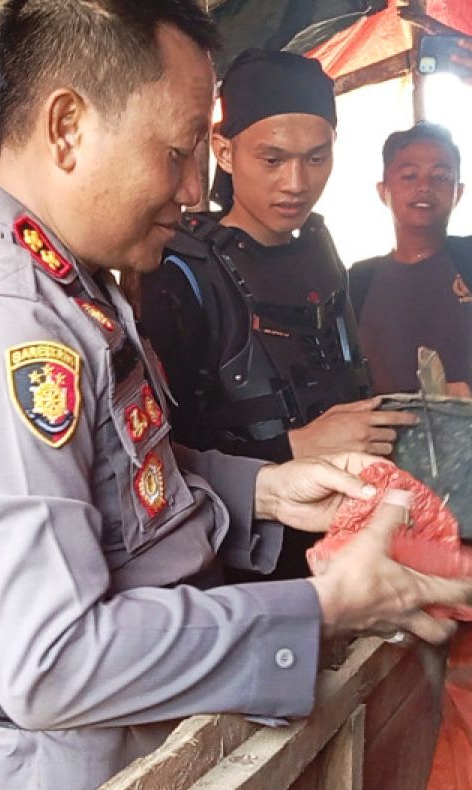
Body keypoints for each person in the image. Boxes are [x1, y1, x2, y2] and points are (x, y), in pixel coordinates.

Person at [0, 3, 472, 790]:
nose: (195, 190)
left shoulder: (71, 293)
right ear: (67, 128)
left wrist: (263, 489)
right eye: (179, 151)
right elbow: (53, 663)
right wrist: (321, 609)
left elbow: (116, 475)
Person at [138, 49, 416, 581]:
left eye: (316, 157)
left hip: (349, 548)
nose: (296, 182)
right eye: (273, 159)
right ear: (223, 150)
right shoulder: (181, 274)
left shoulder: (320, 246)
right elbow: (157, 459)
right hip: (242, 572)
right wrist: (293, 446)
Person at [347, 34, 472, 399]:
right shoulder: (358, 281)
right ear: (384, 191)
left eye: (441, 176)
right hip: (381, 456)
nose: (425, 187)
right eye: (409, 175)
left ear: (458, 192)